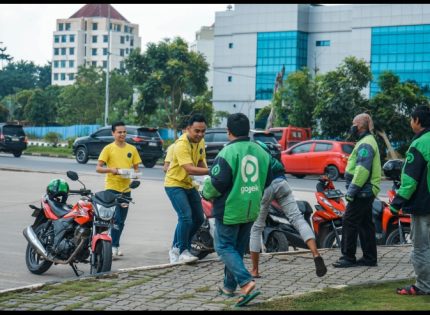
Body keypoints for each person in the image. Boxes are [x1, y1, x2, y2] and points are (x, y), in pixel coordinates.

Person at [202, 113, 272, 307]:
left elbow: (217, 183)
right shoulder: (261, 151)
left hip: (230, 209)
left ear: (228, 131)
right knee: (237, 250)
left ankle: (246, 282)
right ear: (248, 130)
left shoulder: (227, 153)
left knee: (223, 247)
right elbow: (267, 179)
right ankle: (228, 286)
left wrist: (205, 191)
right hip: (251, 208)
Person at [249, 140, 327, 278]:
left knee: (256, 227)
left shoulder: (251, 152)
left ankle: (255, 270)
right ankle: (315, 253)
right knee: (297, 219)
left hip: (265, 188)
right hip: (282, 183)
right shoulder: (267, 151)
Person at [390, 105, 430, 295]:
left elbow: (410, 181)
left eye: (411, 119)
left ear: (417, 121)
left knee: (421, 247)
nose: (410, 122)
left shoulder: (420, 144)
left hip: (424, 206)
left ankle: (423, 286)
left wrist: (396, 203)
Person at [333, 113, 381, 268]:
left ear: (361, 125)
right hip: (367, 190)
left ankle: (348, 257)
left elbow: (362, 170)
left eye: (354, 123)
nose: (352, 126)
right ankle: (369, 258)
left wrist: (351, 191)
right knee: (365, 224)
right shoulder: (367, 141)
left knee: (349, 220)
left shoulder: (366, 143)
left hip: (362, 191)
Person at [164, 114, 209, 264]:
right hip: (174, 184)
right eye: (197, 131)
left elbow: (201, 161)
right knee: (185, 217)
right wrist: (212, 171)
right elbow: (189, 169)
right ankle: (183, 250)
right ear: (188, 129)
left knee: (198, 218)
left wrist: (208, 177)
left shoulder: (200, 141)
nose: (200, 134)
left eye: (203, 131)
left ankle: (176, 249)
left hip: (189, 185)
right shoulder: (181, 144)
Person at [96, 121, 142, 258]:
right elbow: (98, 168)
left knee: (121, 220)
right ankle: (109, 245)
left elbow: (136, 169)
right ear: (113, 133)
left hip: (126, 189)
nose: (122, 134)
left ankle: (115, 245)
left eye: (124, 132)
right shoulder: (108, 149)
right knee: (114, 219)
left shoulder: (132, 149)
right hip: (112, 188)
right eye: (119, 132)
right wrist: (111, 170)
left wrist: (135, 177)